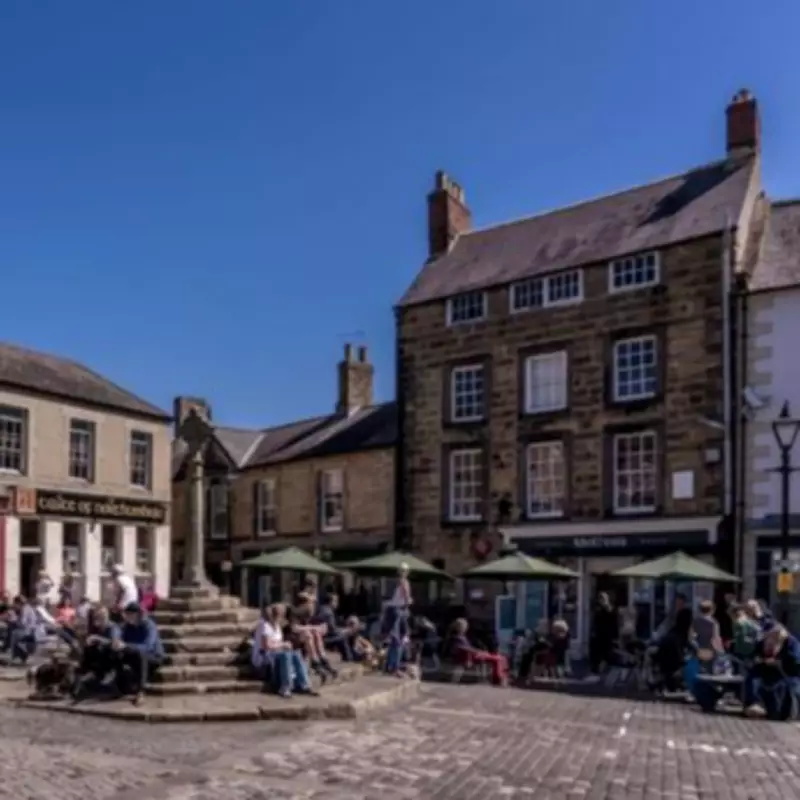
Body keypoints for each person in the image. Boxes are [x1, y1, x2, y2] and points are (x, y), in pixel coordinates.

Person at [252, 603, 317, 698]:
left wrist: (285, 645)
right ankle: (285, 687)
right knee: (285, 655)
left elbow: (278, 642)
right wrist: (283, 645)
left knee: (296, 653)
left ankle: (304, 685)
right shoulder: (265, 626)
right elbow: (266, 646)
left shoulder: (277, 626)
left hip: (274, 654)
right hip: (263, 659)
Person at [116, 602, 164, 704]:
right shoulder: (128, 627)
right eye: (126, 614)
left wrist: (126, 646)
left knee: (141, 655)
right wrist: (117, 643)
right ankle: (119, 686)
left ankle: (141, 691)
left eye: (129, 614)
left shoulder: (149, 626)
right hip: (134, 654)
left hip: (153, 656)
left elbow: (147, 647)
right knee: (116, 653)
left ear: (137, 614)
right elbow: (120, 637)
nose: (127, 617)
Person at [73, 606, 121, 698]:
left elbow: (114, 643)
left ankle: (107, 676)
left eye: (101, 616)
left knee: (106, 649)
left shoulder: (113, 627)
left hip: (111, 656)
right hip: (99, 657)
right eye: (97, 617)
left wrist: (97, 638)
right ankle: (86, 673)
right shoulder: (95, 629)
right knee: (88, 648)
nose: (98, 619)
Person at [448, 618, 508, 686]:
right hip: (471, 656)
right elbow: (464, 648)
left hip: (471, 655)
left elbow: (465, 648)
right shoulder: (458, 638)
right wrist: (476, 651)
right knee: (498, 659)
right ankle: (499, 678)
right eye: (466, 626)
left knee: (500, 658)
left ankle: (500, 678)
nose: (467, 628)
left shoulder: (459, 637)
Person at [315, 593, 353, 661]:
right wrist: (344, 630)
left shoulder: (321, 608)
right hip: (325, 637)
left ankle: (349, 657)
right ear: (330, 602)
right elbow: (332, 630)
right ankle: (348, 658)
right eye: (335, 601)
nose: (337, 603)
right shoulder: (328, 613)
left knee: (343, 634)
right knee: (343, 636)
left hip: (320, 634)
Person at [589, 592, 617, 674]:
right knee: (597, 652)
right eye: (600, 599)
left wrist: (615, 635)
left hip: (608, 634)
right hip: (599, 633)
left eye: (603, 599)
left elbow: (614, 621)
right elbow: (595, 620)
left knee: (607, 652)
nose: (601, 601)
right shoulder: (598, 609)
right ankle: (597, 668)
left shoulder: (610, 608)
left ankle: (605, 668)